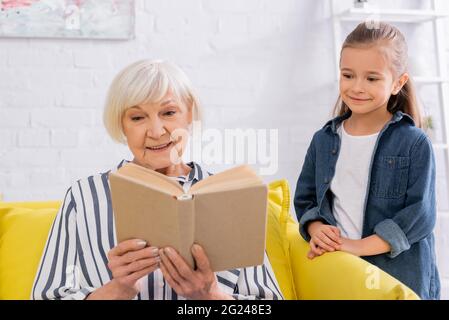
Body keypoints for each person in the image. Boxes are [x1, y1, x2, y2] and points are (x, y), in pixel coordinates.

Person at [32, 59, 283, 300]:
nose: (155, 131)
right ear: (122, 125)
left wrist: (210, 296)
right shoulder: (84, 196)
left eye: (169, 112)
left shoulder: (230, 196)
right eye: (137, 117)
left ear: (189, 115)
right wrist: (118, 290)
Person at [294, 22, 440, 300]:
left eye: (372, 79)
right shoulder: (322, 140)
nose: (357, 87)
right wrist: (318, 229)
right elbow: (306, 200)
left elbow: (419, 216)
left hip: (396, 281)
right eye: (348, 75)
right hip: (340, 275)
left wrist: (356, 246)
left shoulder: (414, 143)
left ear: (398, 83)